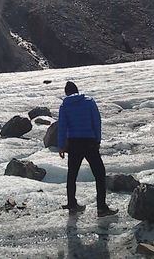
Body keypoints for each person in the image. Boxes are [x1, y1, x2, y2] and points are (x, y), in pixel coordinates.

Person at [58, 81, 118, 217]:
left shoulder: (65, 105)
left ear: (66, 93)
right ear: (77, 90)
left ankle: (72, 204)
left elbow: (62, 127)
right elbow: (96, 121)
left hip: (73, 144)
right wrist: (97, 139)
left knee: (72, 175)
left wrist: (61, 146)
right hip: (89, 142)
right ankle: (101, 208)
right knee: (99, 174)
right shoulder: (89, 102)